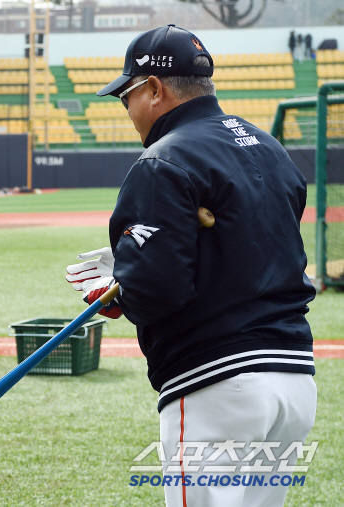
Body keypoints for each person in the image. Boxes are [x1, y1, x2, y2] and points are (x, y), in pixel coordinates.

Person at [65, 25, 316, 507]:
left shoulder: (163, 159)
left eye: (128, 95)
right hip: (294, 383)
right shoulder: (269, 146)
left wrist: (121, 289)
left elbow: (157, 288)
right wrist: (131, 263)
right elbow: (245, 247)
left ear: (155, 90)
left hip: (218, 384)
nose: (127, 110)